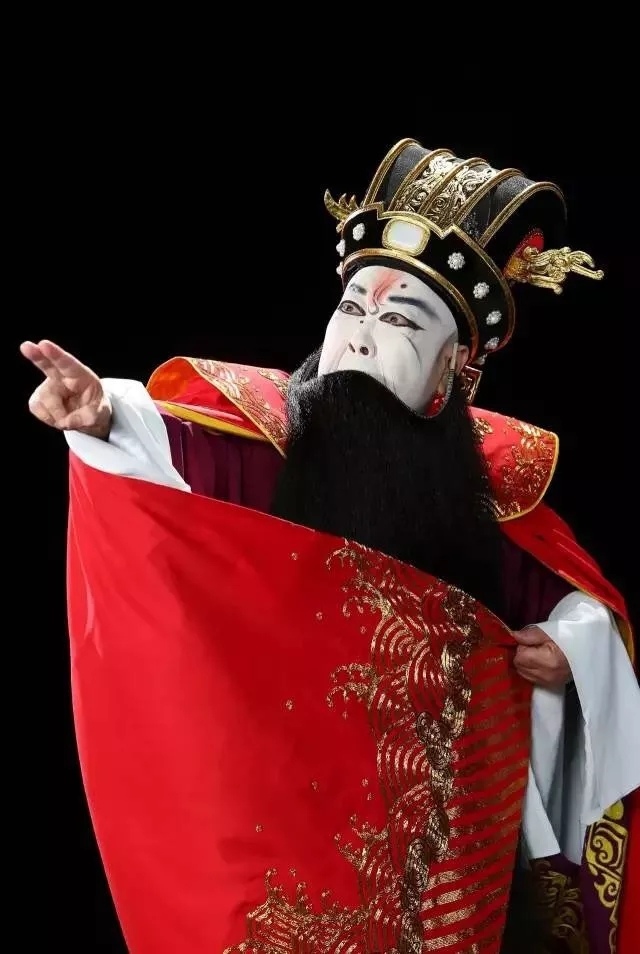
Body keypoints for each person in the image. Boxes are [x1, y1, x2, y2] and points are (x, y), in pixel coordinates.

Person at [22, 139, 640, 954]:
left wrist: (568, 649)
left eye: (398, 320)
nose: (360, 338)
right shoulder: (262, 437)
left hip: (439, 852)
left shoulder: (496, 486)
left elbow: (582, 607)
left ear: (454, 364)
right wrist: (102, 418)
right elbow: (168, 456)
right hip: (277, 819)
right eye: (352, 310)